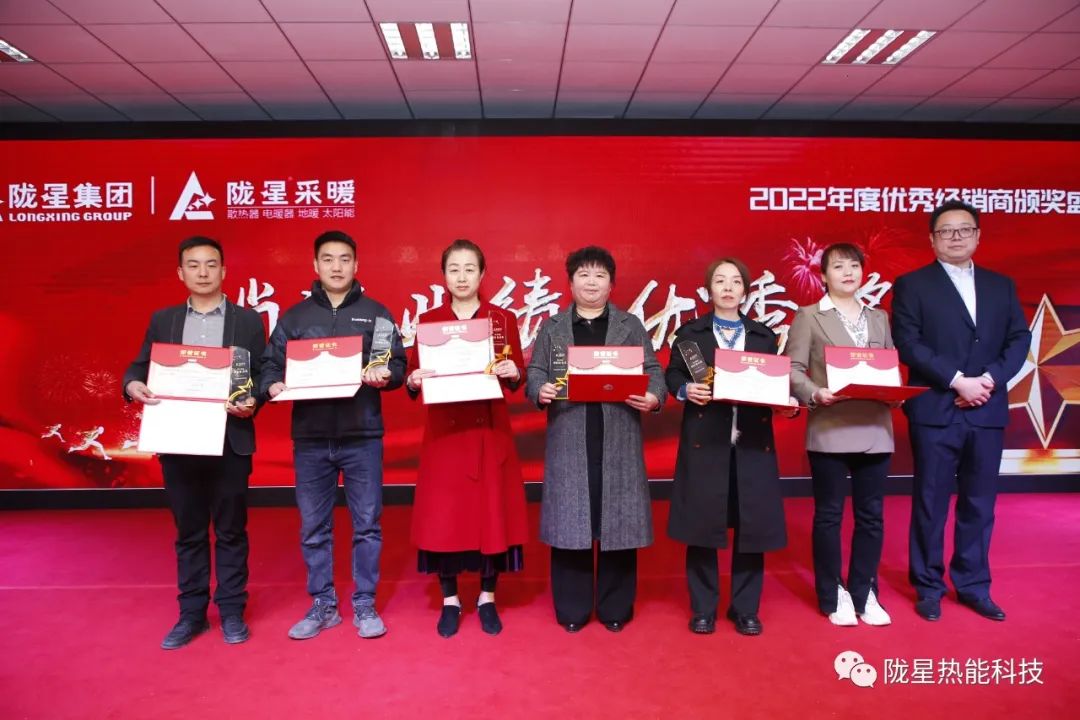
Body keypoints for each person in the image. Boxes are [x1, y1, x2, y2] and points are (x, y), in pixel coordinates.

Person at [261, 230, 406, 640]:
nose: (337, 267)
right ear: (315, 265)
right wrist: (271, 385)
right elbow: (270, 366)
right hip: (311, 438)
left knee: (367, 524)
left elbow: (396, 363)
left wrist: (386, 375)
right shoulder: (294, 318)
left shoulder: (377, 314)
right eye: (328, 259)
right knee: (313, 527)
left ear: (356, 265)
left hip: (363, 435)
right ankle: (323, 604)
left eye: (344, 259)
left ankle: (364, 603)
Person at [123, 235, 266, 649]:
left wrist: (253, 400)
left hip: (229, 440)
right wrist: (132, 384)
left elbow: (261, 373)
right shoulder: (164, 320)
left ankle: (232, 611)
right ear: (180, 272)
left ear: (224, 270)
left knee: (232, 531)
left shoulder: (247, 321)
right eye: (194, 265)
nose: (203, 273)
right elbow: (139, 366)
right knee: (188, 532)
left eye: (211, 264)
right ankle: (191, 615)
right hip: (179, 439)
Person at [892, 200, 1030, 622]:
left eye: (964, 229)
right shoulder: (912, 284)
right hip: (936, 409)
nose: (956, 237)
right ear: (932, 239)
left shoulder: (1001, 285)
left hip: (987, 408)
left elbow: (1019, 339)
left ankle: (973, 585)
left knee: (980, 503)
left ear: (978, 236)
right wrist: (957, 380)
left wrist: (988, 380)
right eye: (946, 230)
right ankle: (928, 586)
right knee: (930, 501)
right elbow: (909, 343)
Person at [526, 246, 665, 633]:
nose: (591, 282)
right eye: (583, 275)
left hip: (618, 432)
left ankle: (615, 606)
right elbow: (535, 371)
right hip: (570, 432)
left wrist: (654, 396)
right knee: (571, 521)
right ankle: (572, 607)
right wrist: (539, 390)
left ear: (611, 284)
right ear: (570, 283)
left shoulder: (629, 325)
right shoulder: (553, 327)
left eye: (600, 275)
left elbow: (654, 370)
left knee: (619, 520)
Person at [666, 258, 798, 636]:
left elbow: (775, 382)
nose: (727, 288)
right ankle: (703, 608)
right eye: (720, 281)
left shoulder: (762, 336)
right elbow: (673, 373)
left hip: (752, 443)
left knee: (751, 527)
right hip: (705, 441)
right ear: (708, 289)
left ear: (745, 291)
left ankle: (745, 609)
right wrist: (684, 389)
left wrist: (785, 402)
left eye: (735, 281)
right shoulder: (690, 333)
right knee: (702, 527)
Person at [405, 239, 529, 638]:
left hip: (488, 429)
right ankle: (450, 600)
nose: (462, 277)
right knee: (444, 517)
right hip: (445, 433)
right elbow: (412, 374)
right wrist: (413, 379)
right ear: (443, 275)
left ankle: (487, 597)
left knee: (491, 514)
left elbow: (517, 374)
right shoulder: (430, 321)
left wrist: (513, 372)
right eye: (454, 269)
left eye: (469, 269)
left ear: (482, 274)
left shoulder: (501, 319)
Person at [786, 243, 895, 627]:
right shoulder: (808, 316)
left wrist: (894, 391)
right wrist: (815, 393)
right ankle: (833, 594)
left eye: (854, 266)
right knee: (829, 516)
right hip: (831, 427)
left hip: (875, 428)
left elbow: (889, 365)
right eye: (838, 267)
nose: (848, 273)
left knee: (872, 517)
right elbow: (792, 369)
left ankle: (865, 592)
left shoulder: (879, 317)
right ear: (823, 275)